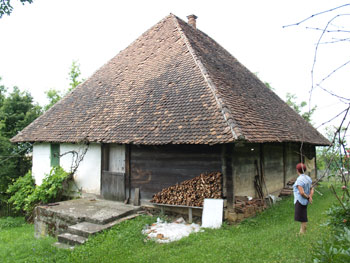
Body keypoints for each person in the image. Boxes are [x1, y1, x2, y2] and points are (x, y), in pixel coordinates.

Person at [293, 162, 314, 234]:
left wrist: (308, 197)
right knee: (303, 217)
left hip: (300, 200)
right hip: (305, 201)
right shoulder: (308, 178)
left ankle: (302, 233)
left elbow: (301, 193)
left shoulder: (300, 180)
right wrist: (310, 196)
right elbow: (312, 188)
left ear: (297, 170)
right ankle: (302, 232)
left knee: (303, 218)